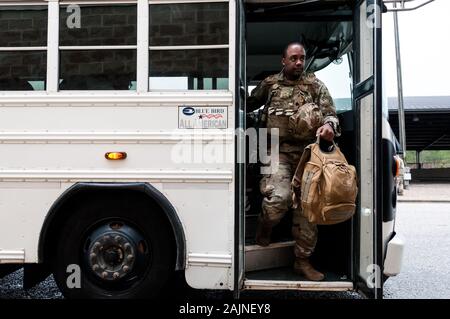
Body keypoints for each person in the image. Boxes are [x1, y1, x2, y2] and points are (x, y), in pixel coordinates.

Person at [247, 42, 340, 281]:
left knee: (307, 209)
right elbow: (247, 105)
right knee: (280, 198)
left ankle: (302, 261)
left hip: (308, 154)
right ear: (284, 61)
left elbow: (330, 112)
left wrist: (329, 125)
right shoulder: (270, 85)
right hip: (274, 151)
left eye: (302, 58)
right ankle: (265, 226)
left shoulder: (314, 84)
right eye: (294, 58)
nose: (299, 62)